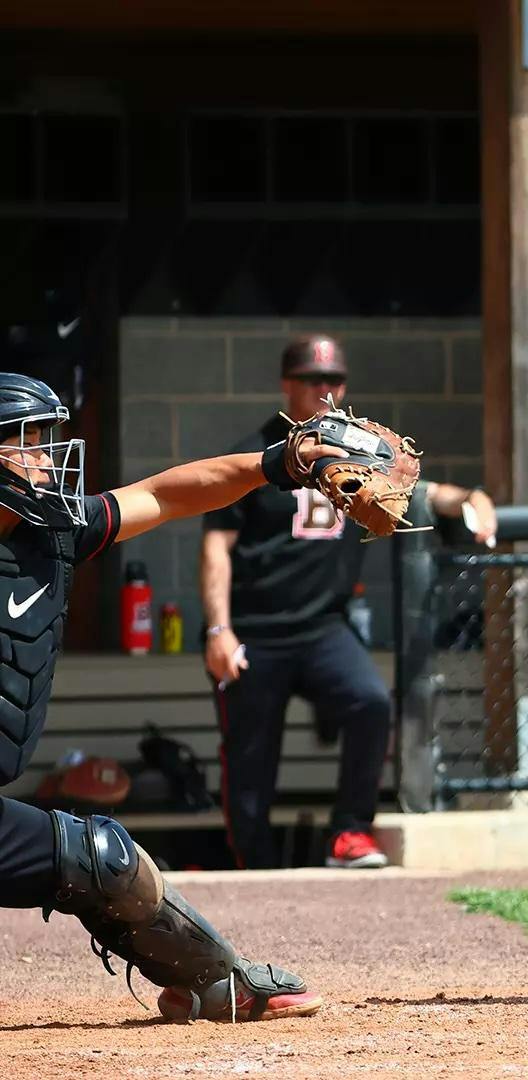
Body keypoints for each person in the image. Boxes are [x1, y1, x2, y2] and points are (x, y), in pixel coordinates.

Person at [0, 371, 323, 1021]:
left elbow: (167, 495)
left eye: (45, 438)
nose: (44, 456)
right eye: (24, 441)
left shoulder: (56, 532)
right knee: (97, 855)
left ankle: (212, 982)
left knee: (103, 860)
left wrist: (275, 463)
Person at [202, 335, 496, 870]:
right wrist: (219, 631)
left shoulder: (359, 450)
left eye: (333, 380)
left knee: (369, 701)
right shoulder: (256, 457)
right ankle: (254, 867)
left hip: (322, 628)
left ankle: (349, 834)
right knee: (249, 760)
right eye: (313, 380)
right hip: (255, 631)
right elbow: (216, 548)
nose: (324, 390)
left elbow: (421, 490)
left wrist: (470, 497)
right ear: (287, 384)